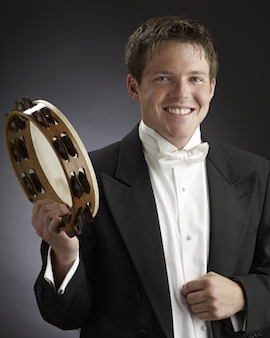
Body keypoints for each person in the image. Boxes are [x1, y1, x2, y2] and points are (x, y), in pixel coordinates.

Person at [32, 16, 270, 338]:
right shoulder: (86, 179)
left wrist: (244, 295)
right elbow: (67, 315)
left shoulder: (257, 173)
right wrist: (65, 254)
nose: (181, 93)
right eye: (163, 78)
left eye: (196, 79)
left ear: (212, 87)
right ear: (134, 87)